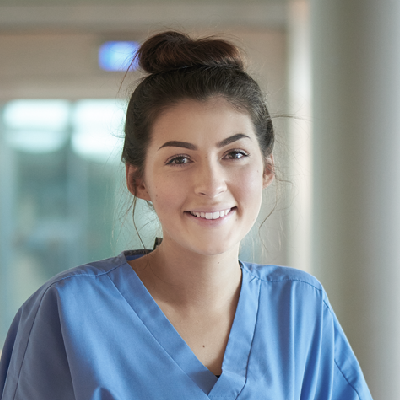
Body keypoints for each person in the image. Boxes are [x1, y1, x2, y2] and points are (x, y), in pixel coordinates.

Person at [0, 31, 372, 400]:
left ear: (266, 170)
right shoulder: (67, 310)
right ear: (137, 179)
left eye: (235, 154)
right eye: (179, 159)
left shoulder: (298, 307)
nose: (211, 185)